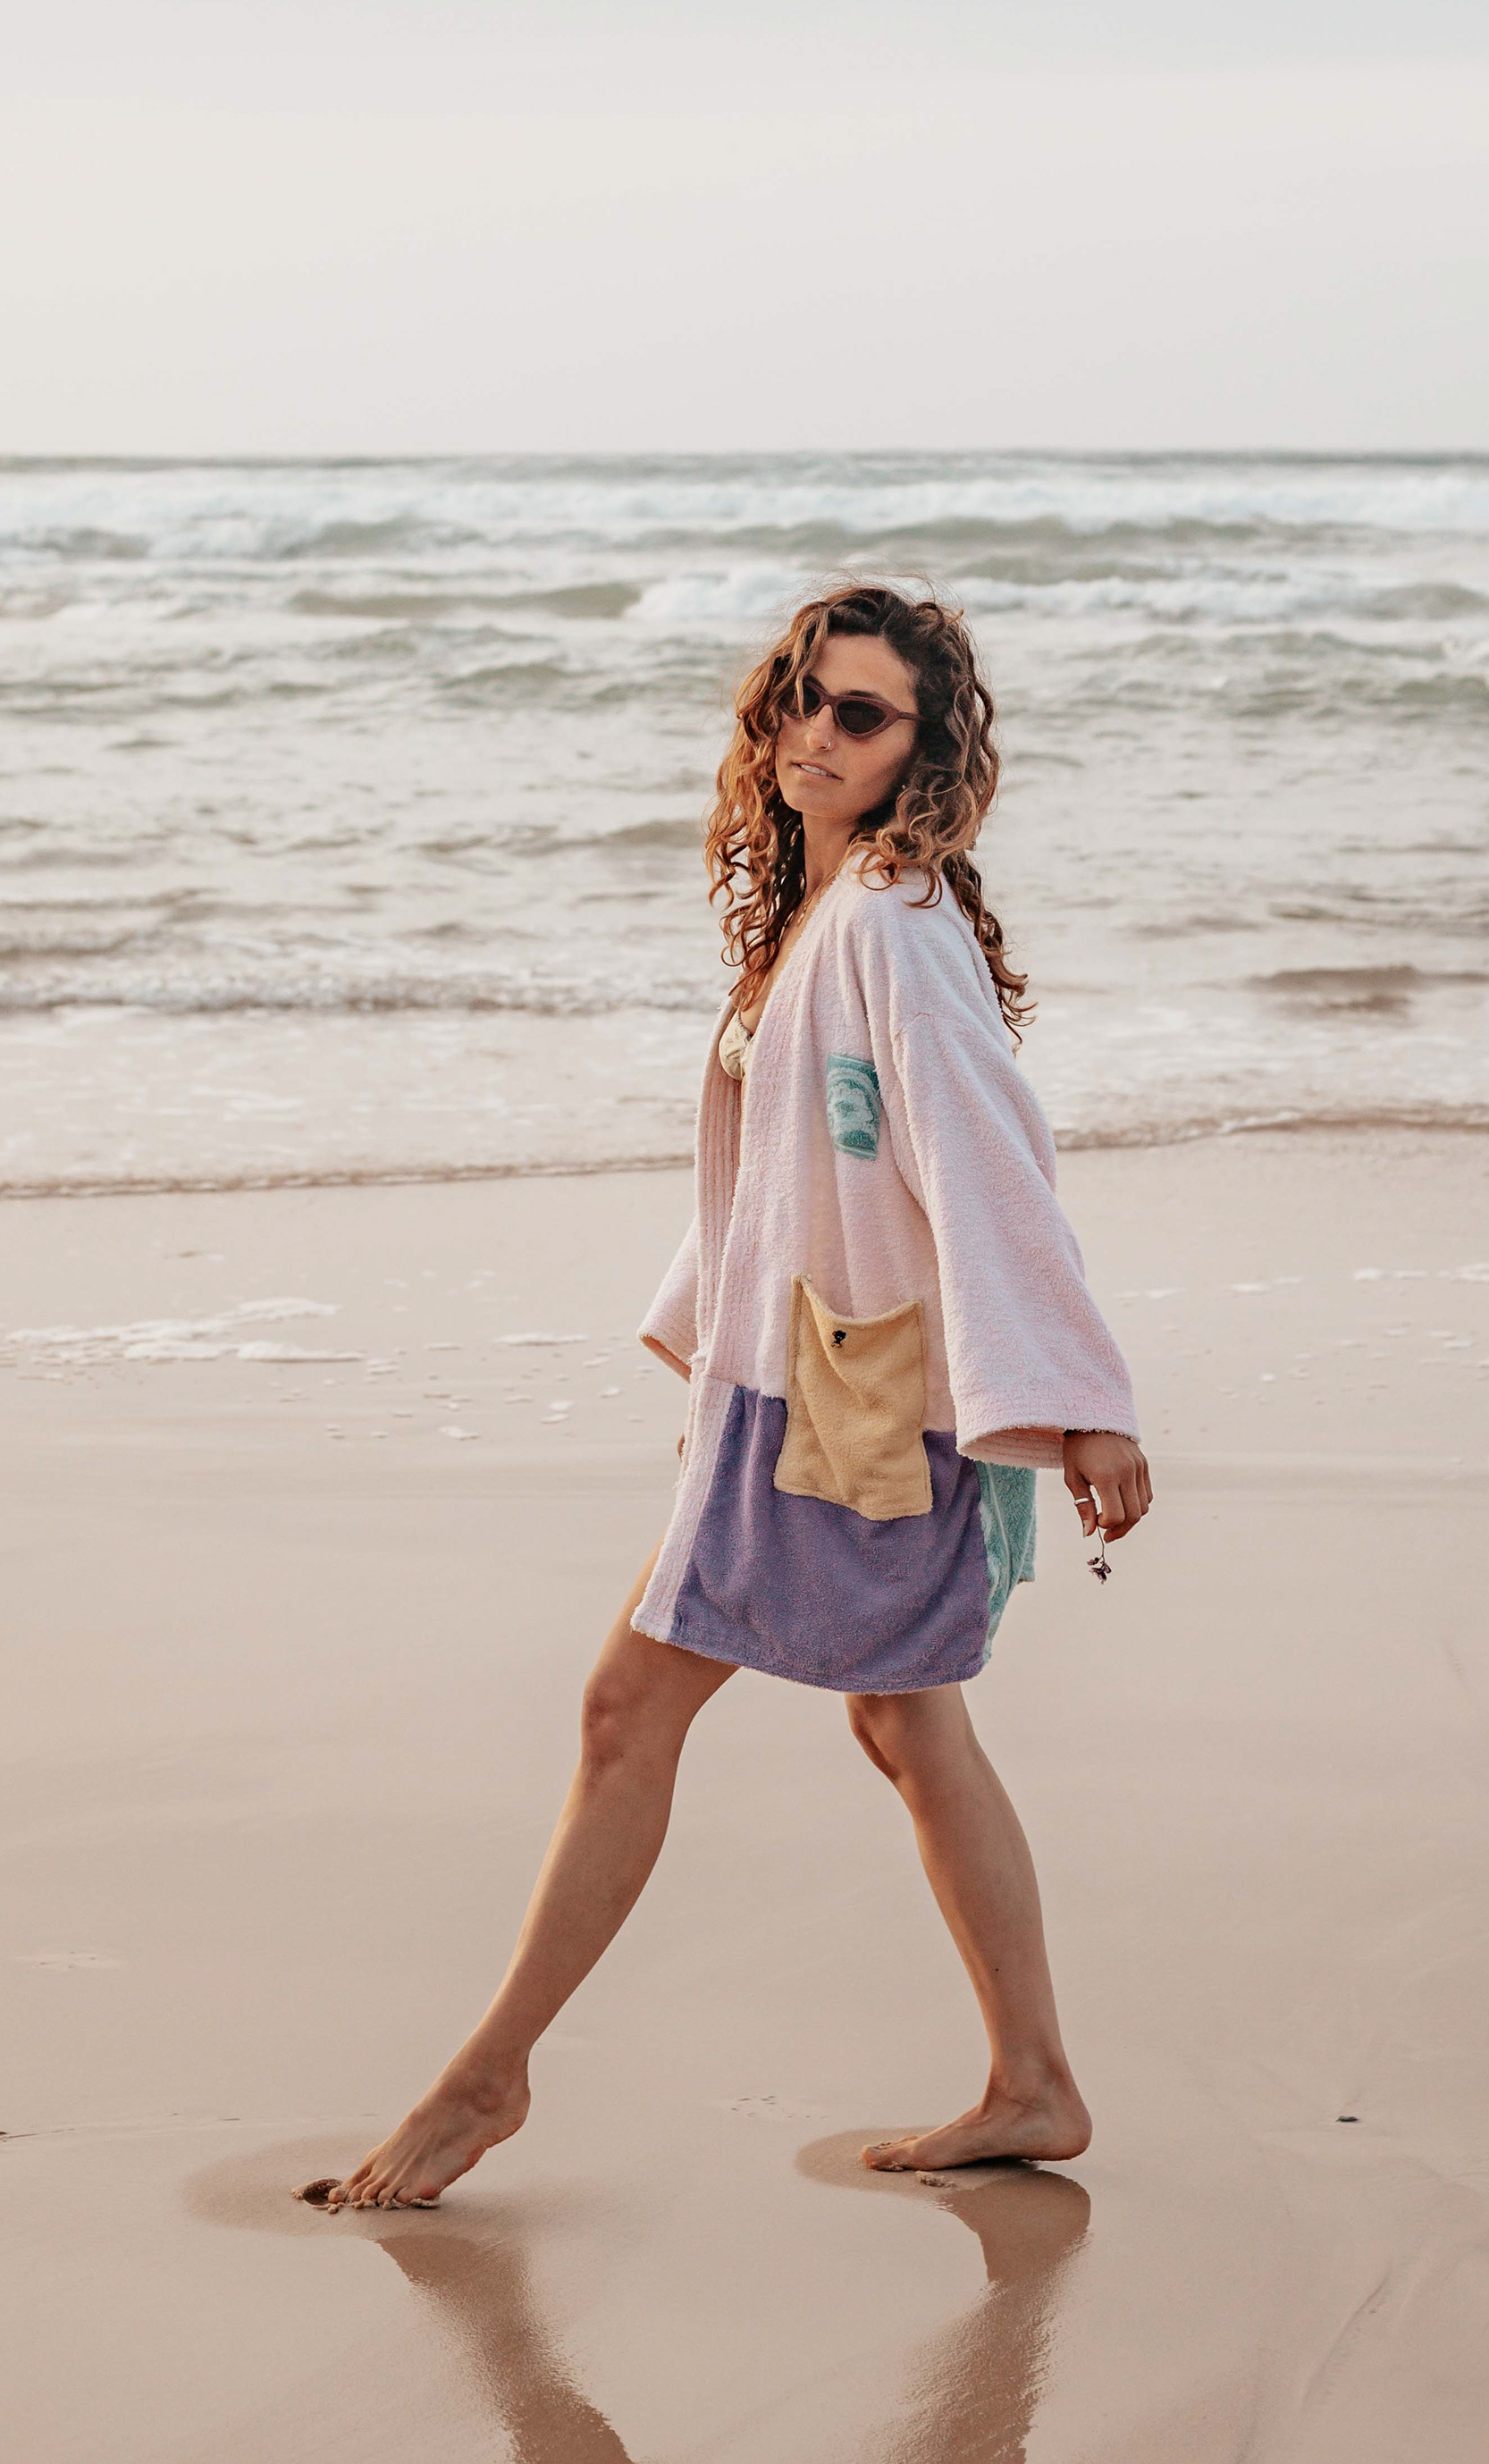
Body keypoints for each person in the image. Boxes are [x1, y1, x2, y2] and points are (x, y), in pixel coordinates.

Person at [326, 583, 1152, 2212]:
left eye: (862, 713)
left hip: (848, 1406)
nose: (816, 733)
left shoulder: (892, 926)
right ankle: (1034, 2081)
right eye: (801, 698)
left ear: (925, 753)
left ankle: (489, 2079)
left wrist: (1083, 1398)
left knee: (630, 1709)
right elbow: (796, 1165)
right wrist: (709, 1344)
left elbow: (987, 1161)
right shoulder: (830, 908)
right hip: (810, 1387)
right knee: (904, 1720)